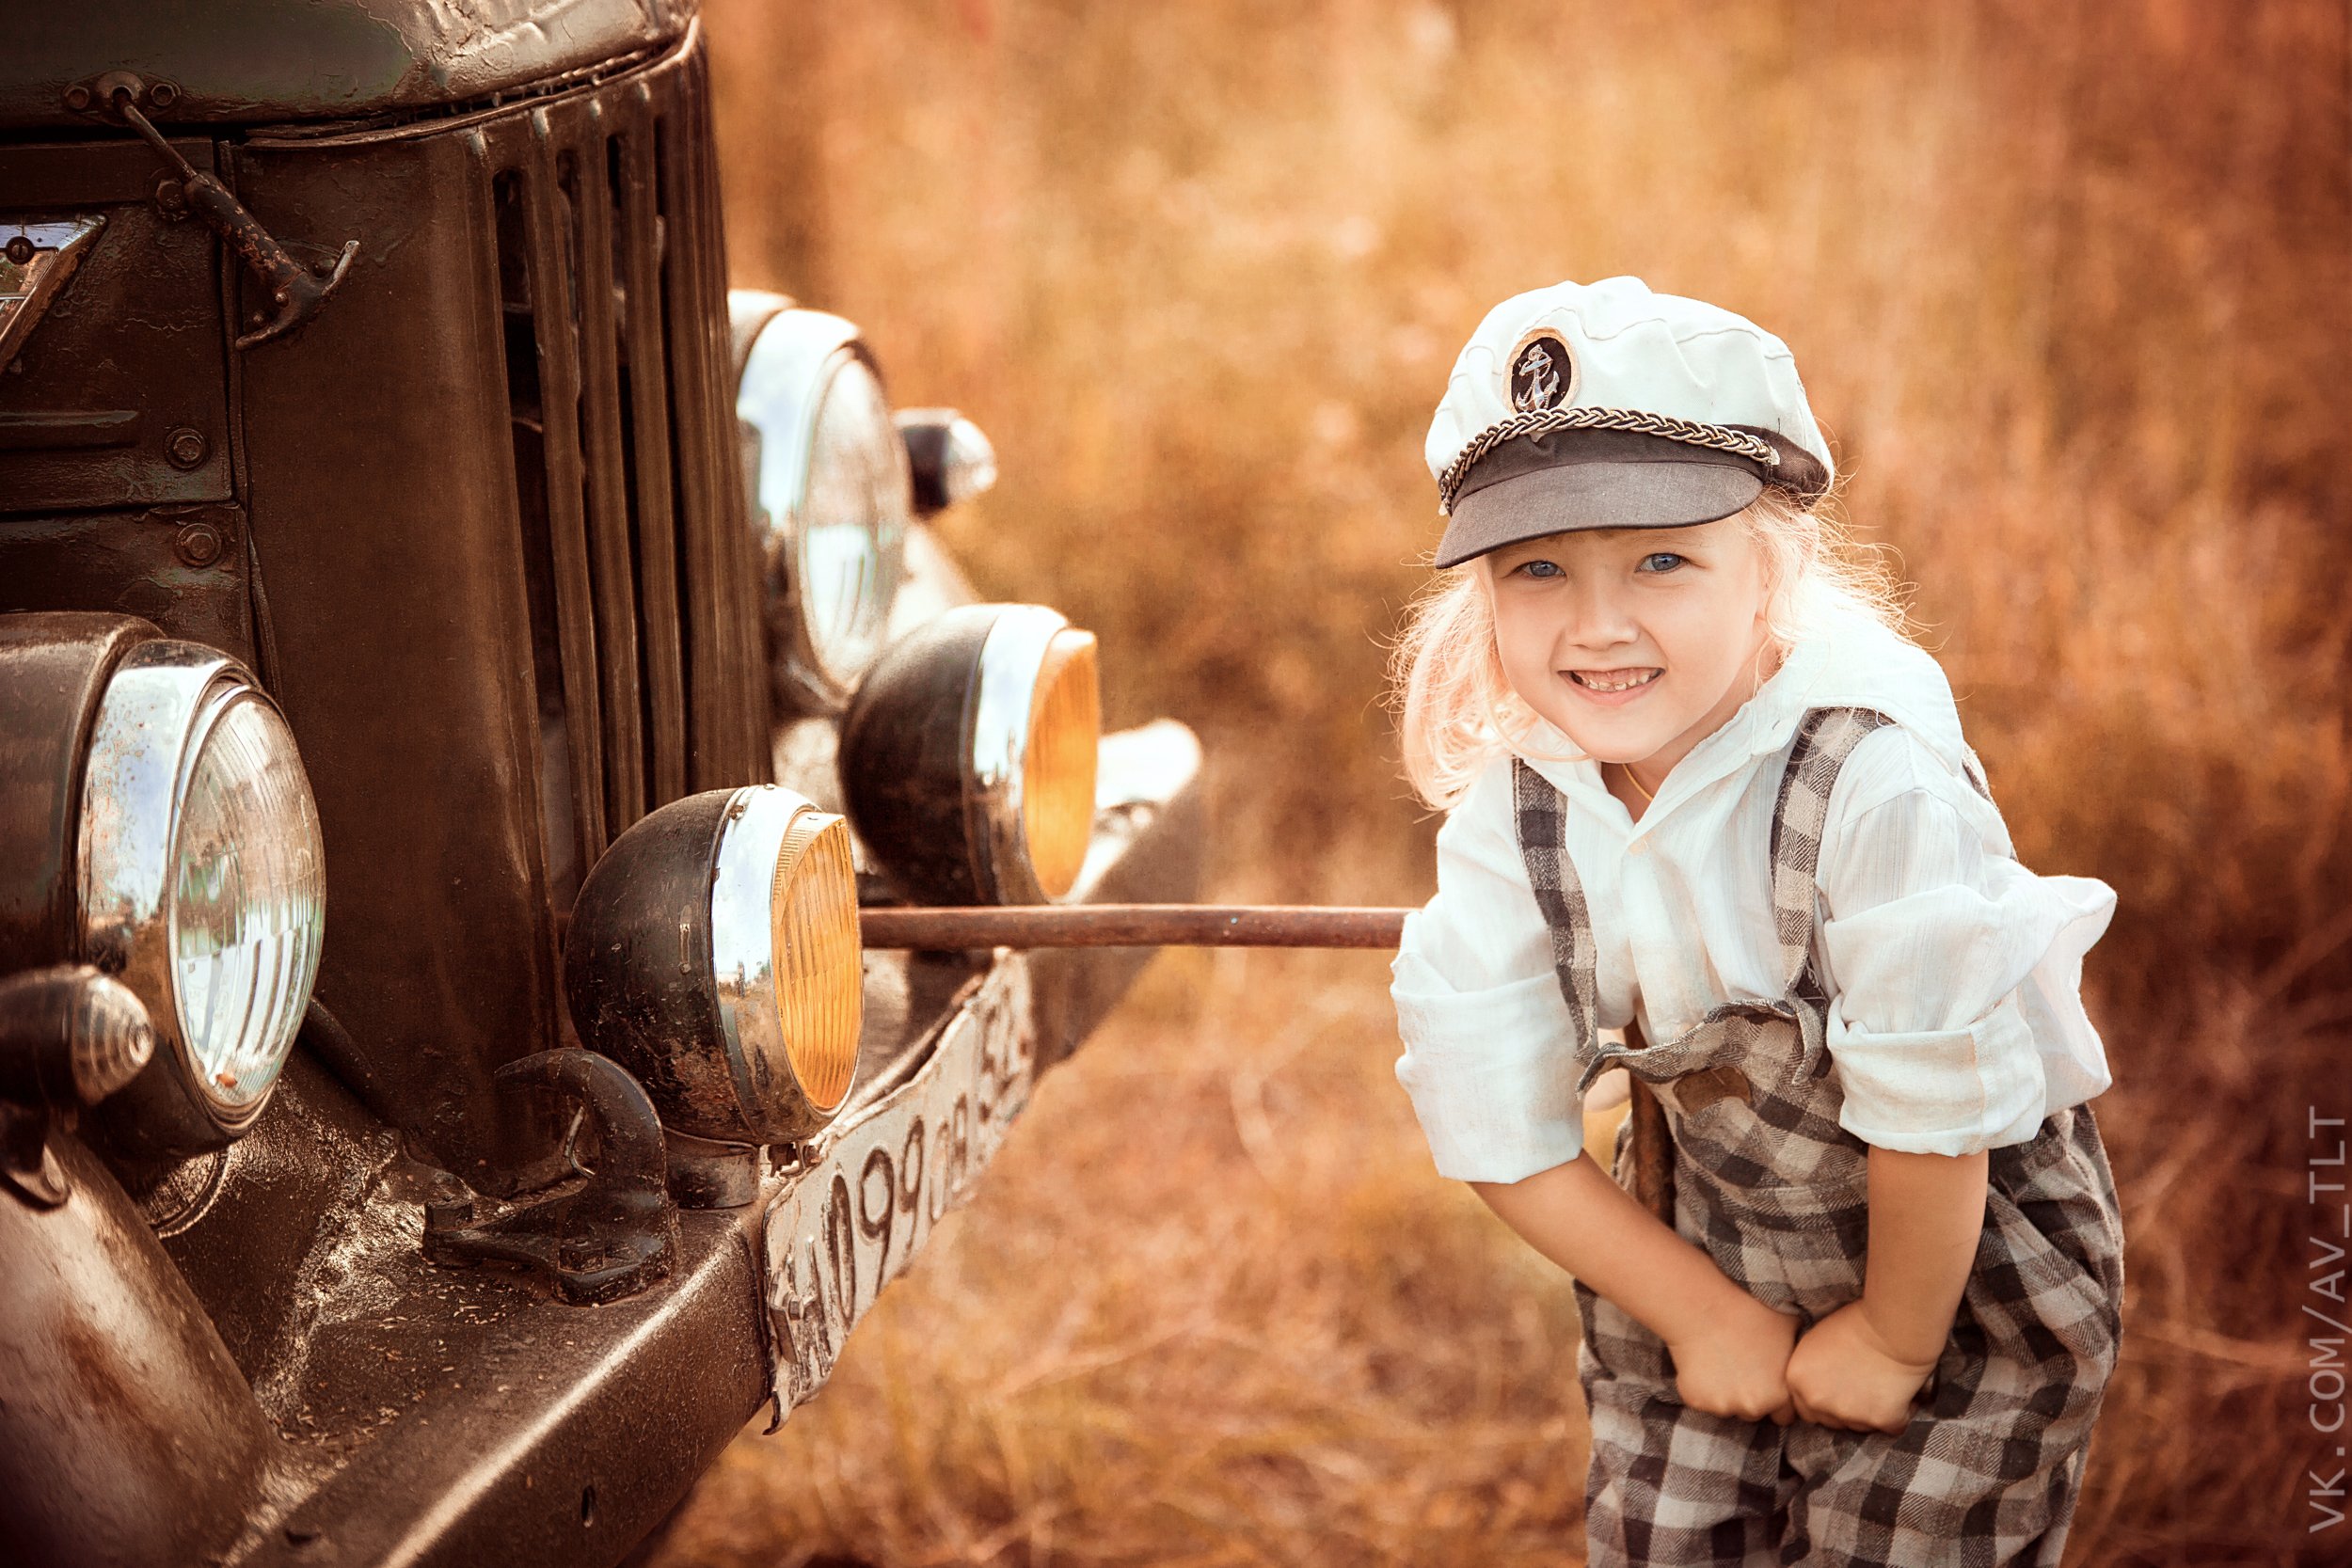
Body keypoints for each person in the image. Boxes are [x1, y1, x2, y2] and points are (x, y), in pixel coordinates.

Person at [1387, 277, 2124, 1567]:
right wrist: (1700, 1315)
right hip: (1702, 1238)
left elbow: (1936, 1111)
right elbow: (1495, 1118)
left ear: (1770, 570)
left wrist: (1894, 1339)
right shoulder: (1520, 801)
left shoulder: (1869, 776)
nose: (1598, 624)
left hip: (1953, 1257)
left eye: (1663, 560)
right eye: (1538, 568)